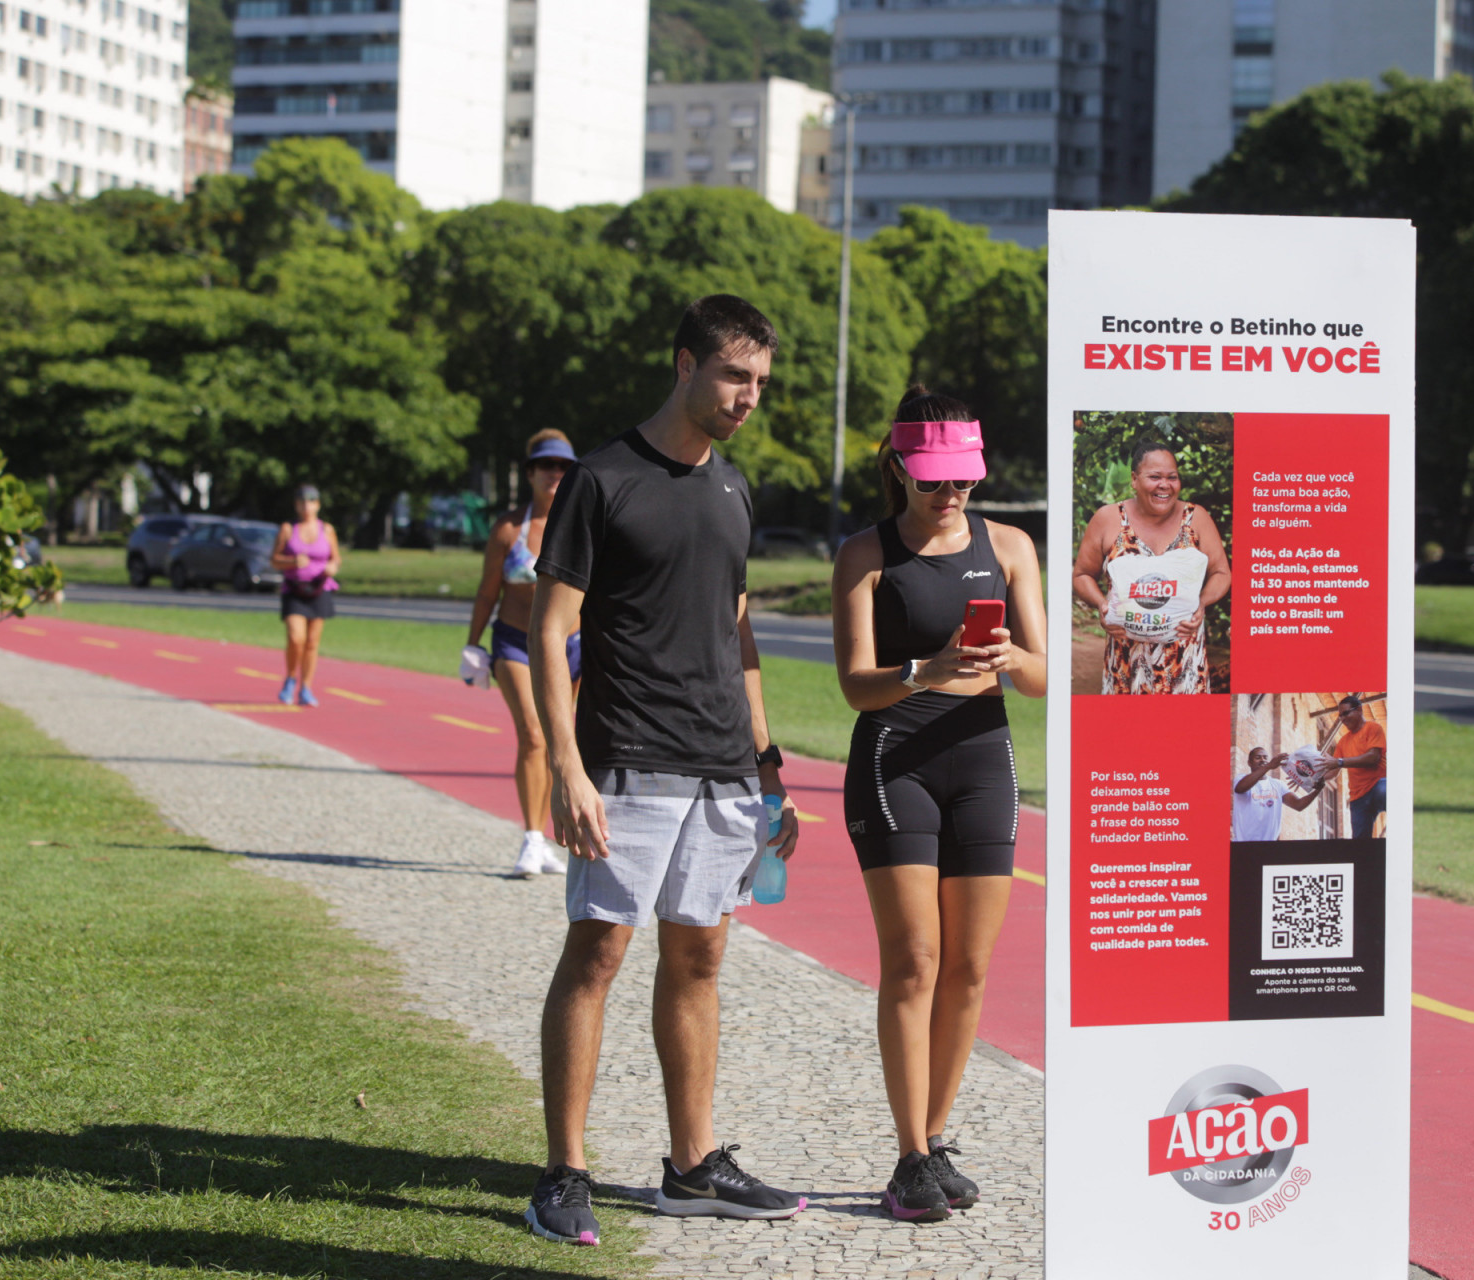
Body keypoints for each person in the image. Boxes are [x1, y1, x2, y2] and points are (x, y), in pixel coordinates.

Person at [522, 295, 805, 1245]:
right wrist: (566, 766)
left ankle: (692, 1167)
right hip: (628, 760)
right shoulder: (602, 481)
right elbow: (550, 625)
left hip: (723, 766)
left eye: (760, 382)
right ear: (684, 364)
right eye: (733, 376)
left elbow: (736, 625)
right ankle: (563, 1175)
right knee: (597, 954)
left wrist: (768, 767)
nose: (747, 398)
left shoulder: (734, 488)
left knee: (700, 957)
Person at [830, 386, 1047, 1221]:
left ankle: (938, 1137)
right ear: (899, 467)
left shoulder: (1013, 546)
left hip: (984, 762)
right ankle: (908, 1157)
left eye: (961, 479)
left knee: (971, 966)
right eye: (933, 480)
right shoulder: (865, 552)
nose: (950, 493)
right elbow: (855, 685)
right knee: (916, 959)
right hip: (896, 763)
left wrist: (1008, 654)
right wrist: (928, 666)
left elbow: (1040, 680)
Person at [465, 429, 584, 879]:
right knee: (534, 734)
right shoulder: (509, 528)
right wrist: (472, 644)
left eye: (564, 466)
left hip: (571, 646)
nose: (556, 473)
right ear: (530, 472)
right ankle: (531, 838)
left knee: (561, 738)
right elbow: (486, 592)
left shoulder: (582, 523)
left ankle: (548, 839)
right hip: (516, 641)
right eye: (547, 465)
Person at [1072, 437, 1230, 694]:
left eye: (1172, 477)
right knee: (1126, 731)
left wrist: (1202, 602)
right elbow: (1082, 575)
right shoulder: (1109, 519)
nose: (1165, 485)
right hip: (1126, 664)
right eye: (1155, 476)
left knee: (1186, 732)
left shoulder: (1196, 519)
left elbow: (1221, 573)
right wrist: (1102, 605)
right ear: (1134, 479)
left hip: (1184, 665)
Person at [270, 484, 340, 708]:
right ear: (296, 505)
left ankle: (306, 687)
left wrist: (332, 567)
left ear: (318, 505)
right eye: (301, 502)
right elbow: (274, 560)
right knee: (295, 637)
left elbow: (336, 559)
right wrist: (291, 562)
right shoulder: (288, 529)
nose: (306, 507)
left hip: (319, 590)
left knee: (311, 642)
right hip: (294, 590)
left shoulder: (327, 530)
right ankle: (291, 678)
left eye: (310, 502)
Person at [1325, 695, 1387, 838]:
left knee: (1392, 795)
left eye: (1346, 713)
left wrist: (1340, 761)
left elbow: (1373, 758)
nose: (1343, 719)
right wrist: (1312, 779)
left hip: (1378, 785)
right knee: (1359, 846)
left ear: (1359, 710)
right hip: (1357, 798)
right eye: (1340, 716)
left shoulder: (1373, 728)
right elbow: (1333, 772)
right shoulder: (1342, 742)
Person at [1233, 746, 1325, 841]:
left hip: (1269, 846)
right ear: (1249, 763)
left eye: (1265, 757)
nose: (1262, 760)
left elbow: (1298, 805)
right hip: (1243, 843)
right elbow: (1240, 788)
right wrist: (1268, 766)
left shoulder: (1278, 784)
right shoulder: (1240, 778)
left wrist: (1317, 790)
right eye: (1258, 757)